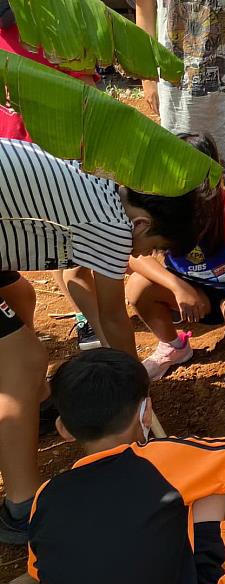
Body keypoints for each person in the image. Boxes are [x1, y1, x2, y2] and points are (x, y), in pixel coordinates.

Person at [0, 138, 208, 544]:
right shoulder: (114, 226)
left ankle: (37, 404)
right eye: (155, 248)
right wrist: (135, 393)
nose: (146, 254)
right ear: (144, 225)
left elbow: (82, 281)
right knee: (24, 358)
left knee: (21, 296)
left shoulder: (104, 182)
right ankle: (21, 510)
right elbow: (114, 317)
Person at [28, 348, 225, 584]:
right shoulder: (161, 459)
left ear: (63, 429)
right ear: (146, 412)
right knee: (216, 478)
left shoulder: (46, 496)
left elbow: (40, 571)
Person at [126, 134, 225, 381]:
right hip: (190, 290)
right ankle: (174, 347)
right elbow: (134, 254)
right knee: (136, 287)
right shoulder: (162, 204)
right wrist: (178, 287)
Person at [0, 4, 105, 351]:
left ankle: (99, 317)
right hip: (18, 153)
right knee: (59, 242)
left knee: (81, 235)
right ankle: (86, 318)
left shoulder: (57, 19)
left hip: (67, 139)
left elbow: (86, 81)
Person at [135, 0, 225, 219]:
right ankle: (193, 250)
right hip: (180, 97)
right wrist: (147, 78)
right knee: (183, 181)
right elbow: (144, 14)